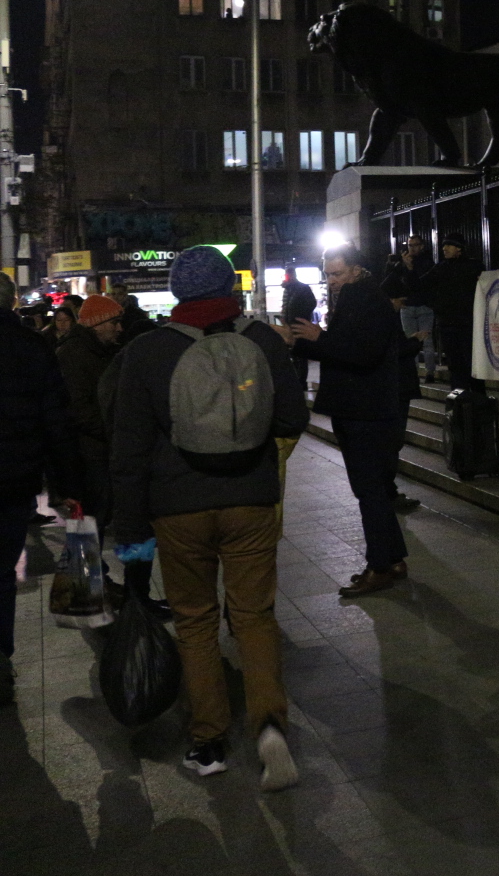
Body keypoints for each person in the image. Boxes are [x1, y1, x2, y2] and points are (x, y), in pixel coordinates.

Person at [109, 245, 306, 787]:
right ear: (229, 288)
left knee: (194, 622)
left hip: (177, 511)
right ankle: (269, 728)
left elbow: (128, 449)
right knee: (254, 616)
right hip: (249, 502)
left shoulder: (147, 352)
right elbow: (293, 415)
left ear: (177, 292)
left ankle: (209, 742)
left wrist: (131, 534)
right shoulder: (262, 340)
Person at [286, 245, 420, 597]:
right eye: (328, 275)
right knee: (371, 488)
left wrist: (319, 338)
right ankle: (392, 559)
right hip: (359, 407)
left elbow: (363, 354)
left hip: (366, 409)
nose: (331, 281)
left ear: (357, 270)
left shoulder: (367, 299)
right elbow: (345, 348)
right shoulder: (354, 297)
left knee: (369, 490)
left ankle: (379, 566)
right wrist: (301, 341)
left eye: (338, 274)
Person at [1, 273, 78, 705]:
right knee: (1, 574)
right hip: (13, 479)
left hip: (14, 477)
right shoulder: (31, 347)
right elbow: (55, 420)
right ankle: (1, 659)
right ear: (13, 302)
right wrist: (65, 481)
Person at [57, 294, 123, 528]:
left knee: (96, 517)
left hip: (99, 449)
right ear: (97, 323)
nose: (119, 328)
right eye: (114, 322)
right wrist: (114, 431)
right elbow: (78, 409)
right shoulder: (74, 355)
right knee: (90, 518)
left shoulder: (103, 352)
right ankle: (87, 564)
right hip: (87, 454)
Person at [419, 234, 483, 389]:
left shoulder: (473, 266)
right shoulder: (441, 267)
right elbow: (421, 285)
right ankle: (458, 395)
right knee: (454, 363)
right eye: (443, 246)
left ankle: (475, 396)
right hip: (447, 323)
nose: (444, 249)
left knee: (470, 361)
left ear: (459, 248)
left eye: (449, 245)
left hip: (467, 323)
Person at [384, 233, 437, 381]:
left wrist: (410, 268)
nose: (412, 248)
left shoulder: (427, 263)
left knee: (426, 340)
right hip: (407, 307)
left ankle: (429, 372)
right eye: (409, 245)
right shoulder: (402, 263)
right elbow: (391, 282)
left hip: (423, 306)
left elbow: (421, 284)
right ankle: (412, 373)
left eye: (415, 245)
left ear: (421, 246)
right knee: (409, 341)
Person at [281, 268, 317, 393]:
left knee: (301, 355)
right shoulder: (289, 289)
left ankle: (301, 383)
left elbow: (311, 303)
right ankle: (297, 382)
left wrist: (301, 317)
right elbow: (286, 307)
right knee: (294, 354)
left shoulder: (302, 288)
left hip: (300, 326)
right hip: (291, 326)